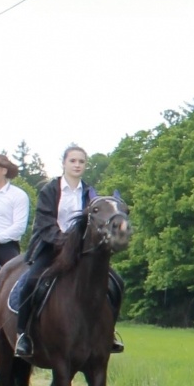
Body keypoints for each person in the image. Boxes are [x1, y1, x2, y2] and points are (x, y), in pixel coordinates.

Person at [13, 144, 122, 358]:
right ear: (63, 163)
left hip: (82, 252)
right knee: (32, 281)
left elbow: (96, 225)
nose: (77, 165)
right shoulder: (50, 190)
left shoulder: (91, 194)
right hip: (51, 247)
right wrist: (65, 241)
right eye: (73, 161)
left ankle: (109, 333)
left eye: (81, 161)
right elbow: (45, 223)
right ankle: (22, 334)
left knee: (116, 282)